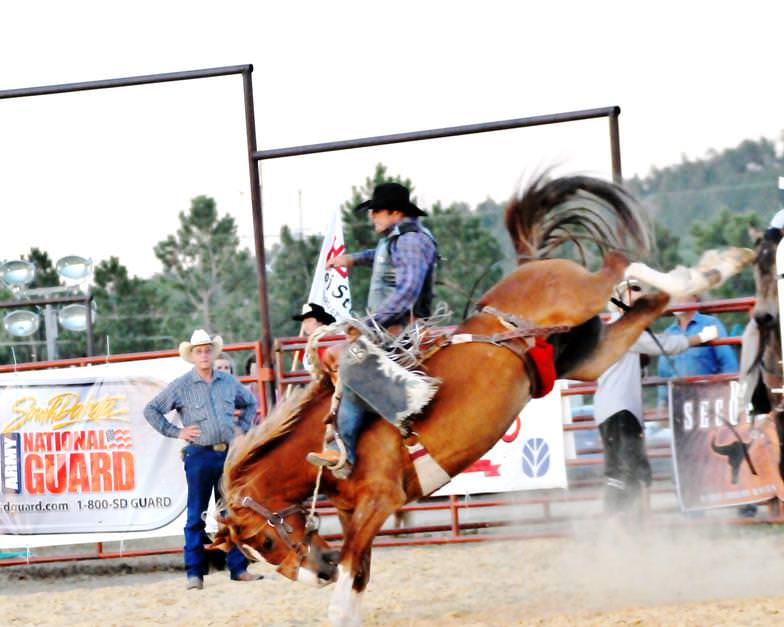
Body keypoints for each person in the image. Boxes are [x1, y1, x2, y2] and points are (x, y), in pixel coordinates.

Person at [306, 182, 437, 475]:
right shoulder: (399, 238)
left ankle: (344, 452)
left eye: (376, 211)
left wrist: (369, 324)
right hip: (392, 327)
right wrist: (352, 259)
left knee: (354, 370)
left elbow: (407, 293)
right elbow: (379, 255)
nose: (372, 216)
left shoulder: (411, 241)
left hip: (403, 332)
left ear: (394, 212)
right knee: (347, 364)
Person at [143, 329, 262, 590]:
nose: (204, 354)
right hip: (199, 454)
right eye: (199, 351)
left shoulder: (227, 381)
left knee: (232, 512)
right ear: (192, 355)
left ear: (213, 352)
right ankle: (194, 573)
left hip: (228, 454)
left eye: (208, 350)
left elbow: (250, 403)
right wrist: (177, 432)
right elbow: (151, 410)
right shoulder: (182, 385)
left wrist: (241, 429)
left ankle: (238, 568)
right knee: (196, 515)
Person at [595, 280, 719, 514]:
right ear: (620, 304)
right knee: (623, 470)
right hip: (619, 410)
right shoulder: (624, 330)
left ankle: (628, 524)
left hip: (618, 409)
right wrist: (699, 338)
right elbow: (664, 344)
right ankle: (616, 526)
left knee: (631, 468)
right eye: (634, 302)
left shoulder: (618, 329)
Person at [656, 293, 739, 407]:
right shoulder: (668, 333)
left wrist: (725, 397)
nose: (675, 299)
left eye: (680, 293)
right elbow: (664, 374)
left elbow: (729, 364)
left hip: (709, 401)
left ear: (694, 297)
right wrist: (663, 403)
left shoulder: (710, 324)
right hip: (679, 403)